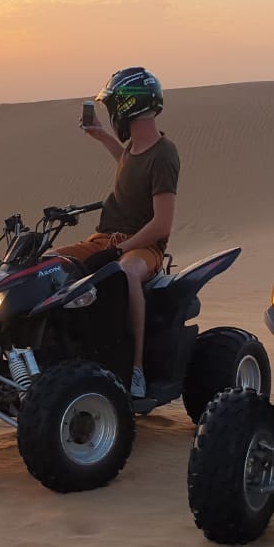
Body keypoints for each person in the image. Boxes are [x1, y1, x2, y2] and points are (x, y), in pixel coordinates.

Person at [53, 66, 180, 399]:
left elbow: (162, 224)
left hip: (144, 247)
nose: (111, 115)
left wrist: (122, 250)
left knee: (125, 274)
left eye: (113, 107)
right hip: (105, 238)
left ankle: (135, 369)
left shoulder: (163, 155)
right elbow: (126, 163)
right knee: (49, 262)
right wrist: (99, 135)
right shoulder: (135, 151)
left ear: (128, 106)